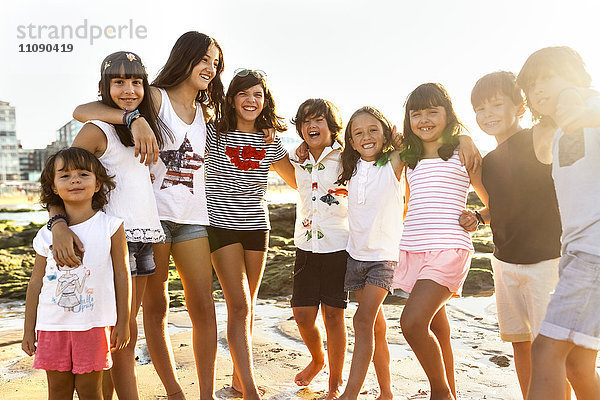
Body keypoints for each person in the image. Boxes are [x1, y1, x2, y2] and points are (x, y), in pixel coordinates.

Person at [72, 31, 225, 400]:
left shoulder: (208, 110)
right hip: (147, 222)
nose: (209, 67)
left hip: (190, 217)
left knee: (203, 305)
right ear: (184, 57)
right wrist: (135, 118)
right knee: (148, 311)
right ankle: (173, 393)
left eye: (215, 63)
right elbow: (84, 112)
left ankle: (205, 395)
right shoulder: (152, 97)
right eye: (203, 59)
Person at [50, 50, 166, 400]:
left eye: (136, 82)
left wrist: (137, 118)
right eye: (118, 82)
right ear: (105, 86)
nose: (129, 88)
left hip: (145, 236)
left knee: (124, 334)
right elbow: (59, 179)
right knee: (121, 336)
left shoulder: (148, 117)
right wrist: (58, 224)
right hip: (116, 241)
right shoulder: (96, 129)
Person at [465, 71, 563, 399]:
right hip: (504, 262)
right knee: (520, 344)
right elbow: (502, 203)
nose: (488, 114)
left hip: (545, 262)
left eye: (496, 104)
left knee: (552, 349)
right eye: (480, 108)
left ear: (519, 107)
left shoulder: (539, 136)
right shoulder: (488, 162)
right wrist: (479, 215)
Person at [392, 83, 488, 400]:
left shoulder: (463, 152)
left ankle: (440, 393)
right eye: (416, 113)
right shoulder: (410, 156)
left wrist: (480, 216)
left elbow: (495, 202)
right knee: (436, 325)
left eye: (433, 111)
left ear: (448, 114)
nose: (424, 119)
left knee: (412, 322)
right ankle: (451, 391)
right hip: (413, 247)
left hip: (449, 247)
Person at [206, 68, 296, 400]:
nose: (251, 100)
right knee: (240, 305)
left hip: (258, 227)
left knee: (247, 307)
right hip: (221, 226)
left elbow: (301, 181)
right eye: (244, 93)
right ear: (231, 99)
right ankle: (252, 392)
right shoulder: (213, 133)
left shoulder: (270, 140)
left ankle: (237, 382)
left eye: (258, 94)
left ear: (265, 101)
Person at [517, 46, 600, 400]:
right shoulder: (559, 133)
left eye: (548, 77)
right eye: (532, 86)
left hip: (593, 252)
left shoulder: (588, 104)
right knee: (577, 365)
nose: (539, 89)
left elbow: (584, 106)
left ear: (576, 75)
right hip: (577, 255)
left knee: (545, 350)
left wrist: (578, 101)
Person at [22, 147, 130, 400]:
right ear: (53, 187)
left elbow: (122, 274)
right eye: (65, 176)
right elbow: (35, 282)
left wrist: (124, 321)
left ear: (97, 184)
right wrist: (28, 329)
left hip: (93, 326)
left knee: (90, 392)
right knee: (57, 392)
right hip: (51, 326)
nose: (75, 180)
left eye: (83, 174)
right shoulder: (45, 235)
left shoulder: (111, 226)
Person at [335, 106, 405, 400]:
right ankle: (386, 392)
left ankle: (349, 394)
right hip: (356, 256)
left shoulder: (393, 163)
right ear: (351, 141)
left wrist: (402, 141)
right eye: (358, 133)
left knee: (361, 322)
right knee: (375, 325)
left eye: (373, 130)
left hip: (384, 257)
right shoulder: (349, 167)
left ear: (386, 133)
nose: (366, 136)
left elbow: (416, 143)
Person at [289, 98, 348, 399]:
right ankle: (318, 358)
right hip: (305, 246)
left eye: (319, 120)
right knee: (302, 314)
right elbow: (268, 142)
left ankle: (335, 382)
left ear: (332, 125)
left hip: (339, 247)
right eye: (306, 121)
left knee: (334, 317)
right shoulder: (297, 158)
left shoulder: (347, 157)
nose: (312, 126)